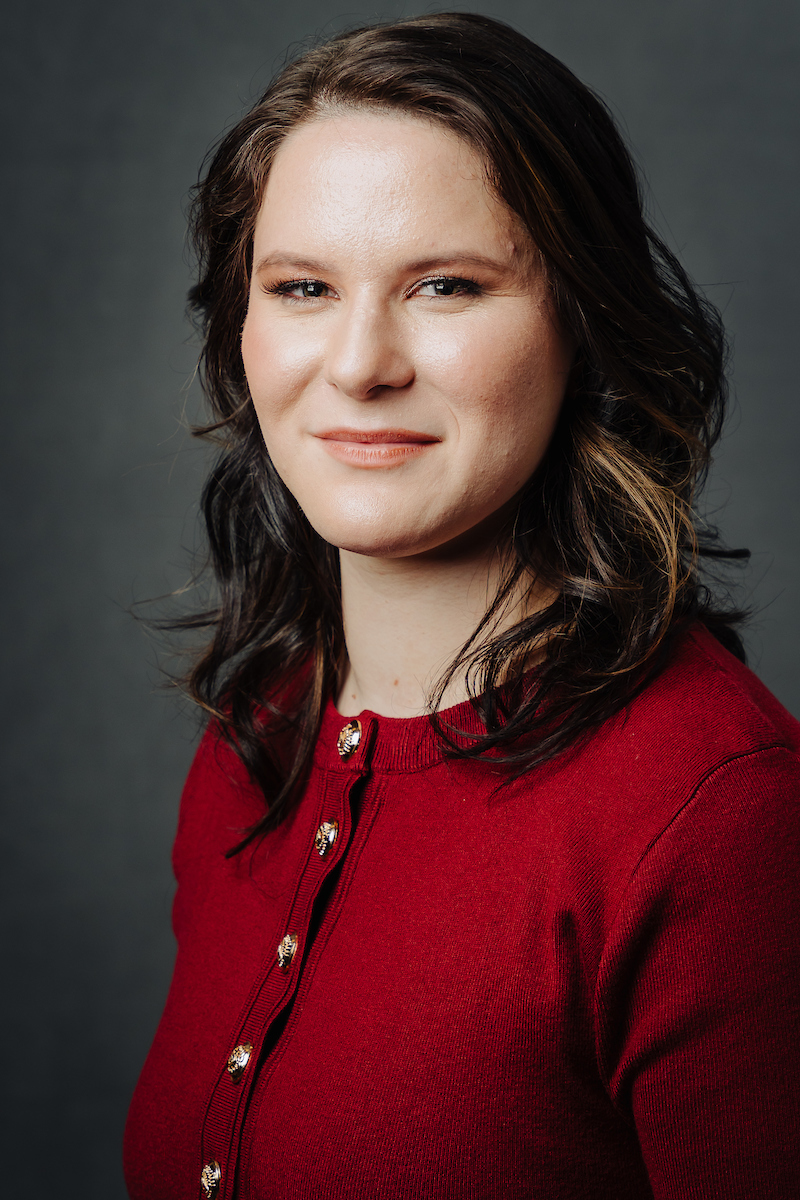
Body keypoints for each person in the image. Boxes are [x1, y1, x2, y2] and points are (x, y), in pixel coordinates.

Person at [124, 12, 800, 1199]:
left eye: (444, 284)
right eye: (300, 287)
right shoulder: (258, 741)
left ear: (578, 320)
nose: (357, 363)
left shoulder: (719, 819)